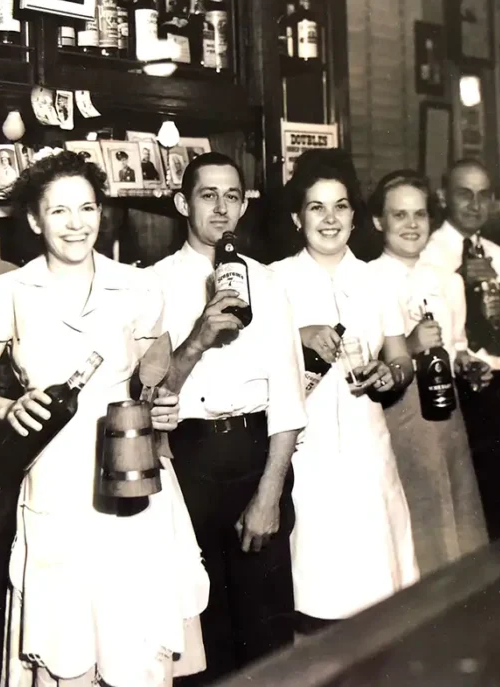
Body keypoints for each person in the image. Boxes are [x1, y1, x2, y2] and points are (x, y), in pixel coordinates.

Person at [0, 151, 210, 687]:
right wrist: (6, 406)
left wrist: (164, 404)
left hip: (133, 481)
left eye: (86, 208)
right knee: (66, 651)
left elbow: (153, 379)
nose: (76, 223)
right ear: (35, 220)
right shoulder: (10, 292)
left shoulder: (136, 287)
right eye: (59, 211)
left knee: (135, 652)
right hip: (58, 483)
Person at [151, 152, 306, 684]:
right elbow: (149, 396)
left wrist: (268, 494)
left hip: (253, 456)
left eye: (232, 196)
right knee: (198, 633)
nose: (221, 208)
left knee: (264, 637)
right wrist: (197, 338)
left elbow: (288, 397)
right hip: (184, 464)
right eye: (207, 195)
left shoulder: (267, 282)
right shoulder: (152, 284)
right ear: (181, 203)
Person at [269, 153, 418, 638]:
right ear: (297, 218)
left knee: (378, 598)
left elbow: (401, 358)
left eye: (340, 207)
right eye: (316, 208)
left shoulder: (378, 279)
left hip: (367, 452)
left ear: (355, 216)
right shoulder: (274, 280)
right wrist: (299, 334)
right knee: (311, 598)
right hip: (304, 458)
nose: (329, 219)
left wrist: (389, 374)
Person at [365, 170, 488, 574]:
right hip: (398, 414)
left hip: (446, 411)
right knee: (417, 522)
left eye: (420, 214)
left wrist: (467, 363)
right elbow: (365, 368)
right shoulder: (367, 280)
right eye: (399, 215)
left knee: (457, 515)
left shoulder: (447, 281)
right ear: (379, 222)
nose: (412, 225)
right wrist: (412, 346)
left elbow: (456, 347)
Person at [420, 158, 500, 538]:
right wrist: (458, 283)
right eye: (464, 193)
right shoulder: (426, 256)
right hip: (453, 390)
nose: (475, 204)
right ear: (443, 196)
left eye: (484, 195)